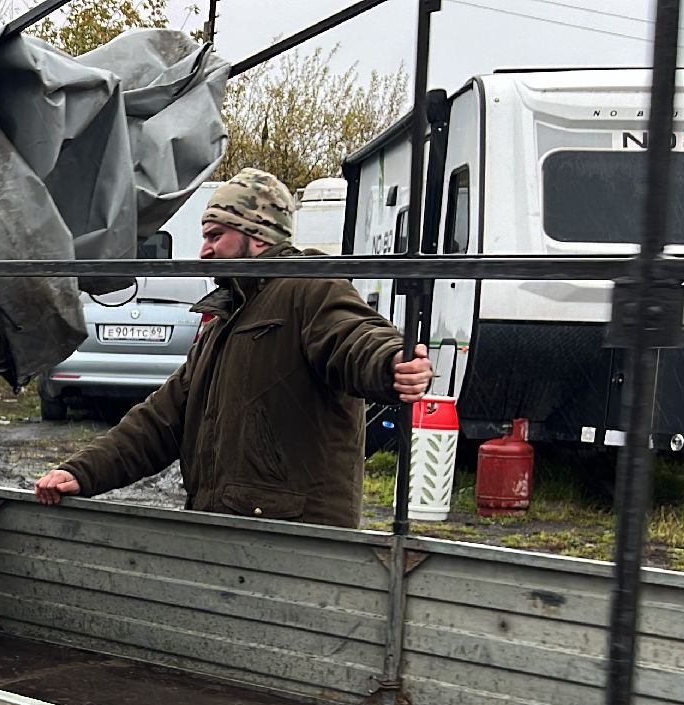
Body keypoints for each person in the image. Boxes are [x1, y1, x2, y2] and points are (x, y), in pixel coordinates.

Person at [34, 168, 434, 529]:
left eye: (214, 236)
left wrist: (390, 362)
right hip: (227, 532)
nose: (204, 251)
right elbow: (160, 420)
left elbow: (354, 335)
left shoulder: (310, 286)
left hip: (298, 543)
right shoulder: (223, 321)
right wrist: (84, 472)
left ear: (256, 235)